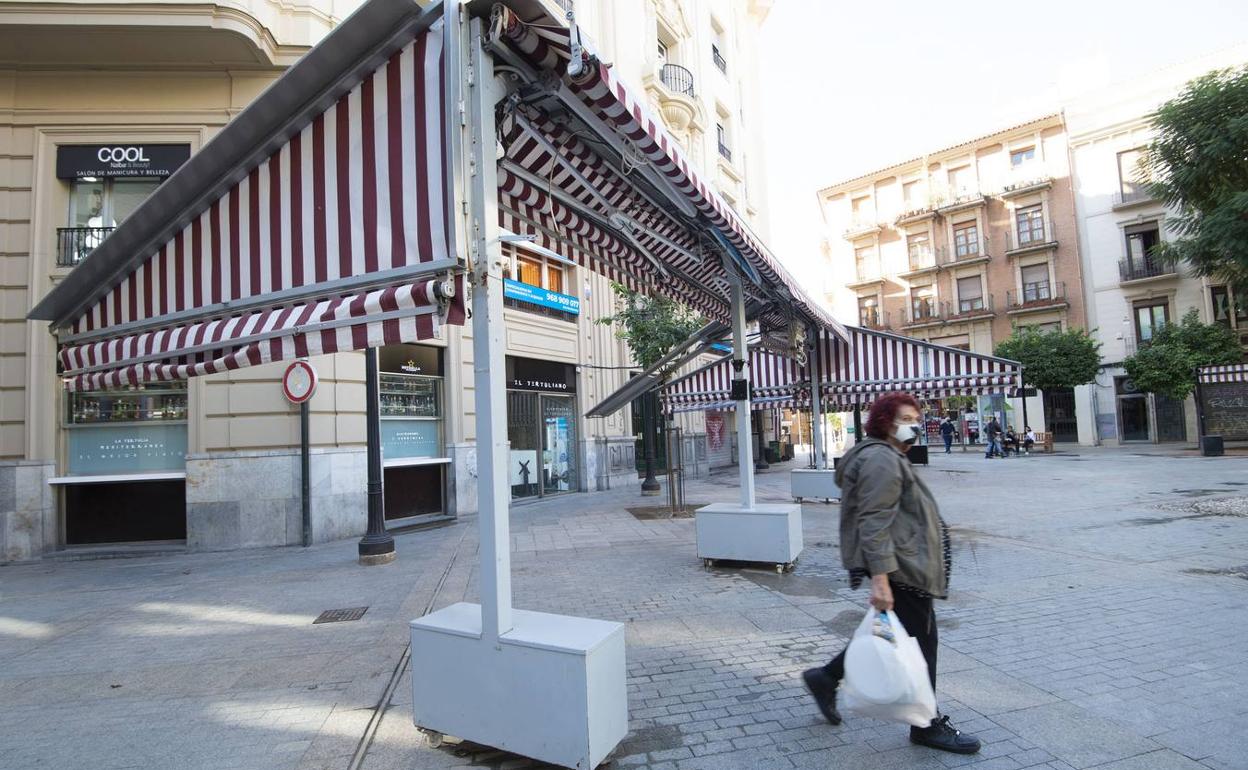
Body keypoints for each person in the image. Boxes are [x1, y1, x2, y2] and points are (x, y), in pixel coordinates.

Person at [801, 393, 982, 755]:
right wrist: (881, 580)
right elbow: (873, 522)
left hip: (903, 563)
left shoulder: (884, 456)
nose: (913, 423)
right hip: (902, 568)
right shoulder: (882, 460)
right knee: (923, 644)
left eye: (916, 417)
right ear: (885, 422)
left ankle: (825, 677)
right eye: (906, 417)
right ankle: (926, 726)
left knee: (896, 635)